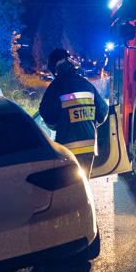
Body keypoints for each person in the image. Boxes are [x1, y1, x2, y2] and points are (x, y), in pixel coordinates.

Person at [39, 48, 109, 177]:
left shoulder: (55, 87)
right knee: (84, 187)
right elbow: (103, 112)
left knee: (69, 191)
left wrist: (61, 124)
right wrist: (89, 123)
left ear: (54, 68)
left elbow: (47, 116)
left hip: (67, 151)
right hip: (89, 148)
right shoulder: (87, 85)